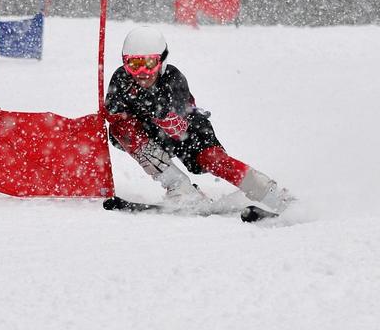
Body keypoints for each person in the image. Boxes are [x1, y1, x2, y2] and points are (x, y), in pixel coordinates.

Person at [105, 25, 294, 213]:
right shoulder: (121, 80)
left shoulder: (173, 78)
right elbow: (114, 115)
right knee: (120, 130)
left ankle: (271, 193)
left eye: (149, 64)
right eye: (134, 65)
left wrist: (154, 107)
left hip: (191, 133)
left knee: (214, 161)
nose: (142, 73)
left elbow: (176, 120)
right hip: (154, 136)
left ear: (161, 61)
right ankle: (180, 187)